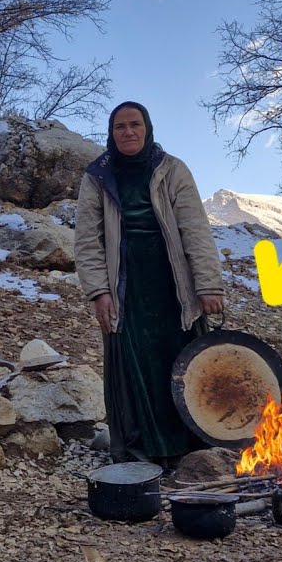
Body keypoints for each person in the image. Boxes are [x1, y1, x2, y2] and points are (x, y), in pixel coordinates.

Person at [75, 101, 226, 467]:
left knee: (181, 362)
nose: (128, 132)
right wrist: (99, 291)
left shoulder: (171, 170)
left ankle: (191, 448)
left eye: (135, 124)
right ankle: (143, 452)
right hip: (125, 287)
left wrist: (208, 285)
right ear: (111, 134)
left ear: (147, 128)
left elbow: (195, 231)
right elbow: (87, 240)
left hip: (172, 286)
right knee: (134, 367)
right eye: (120, 127)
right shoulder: (98, 176)